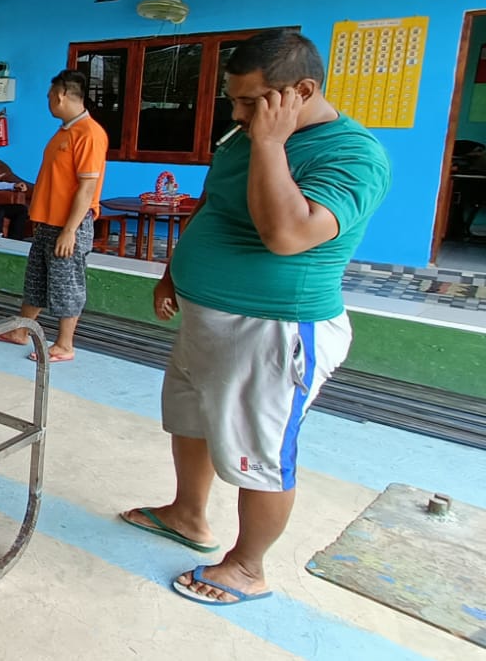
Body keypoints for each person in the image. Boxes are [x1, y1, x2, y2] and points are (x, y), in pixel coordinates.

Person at [119, 30, 390, 607]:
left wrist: (271, 142)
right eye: (234, 100)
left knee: (258, 451)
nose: (238, 113)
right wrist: (175, 272)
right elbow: (212, 207)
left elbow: (288, 233)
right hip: (205, 319)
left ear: (302, 91)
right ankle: (187, 514)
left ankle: (247, 566)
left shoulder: (352, 154)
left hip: (272, 329)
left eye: (251, 101)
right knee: (190, 420)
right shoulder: (244, 136)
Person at [0, 70, 107, 363]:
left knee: (66, 284)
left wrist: (69, 230)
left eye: (48, 96)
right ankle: (21, 330)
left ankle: (65, 344)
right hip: (47, 222)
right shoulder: (64, 131)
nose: (48, 101)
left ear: (60, 95)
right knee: (36, 280)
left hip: (68, 225)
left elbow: (87, 187)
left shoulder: (89, 133)